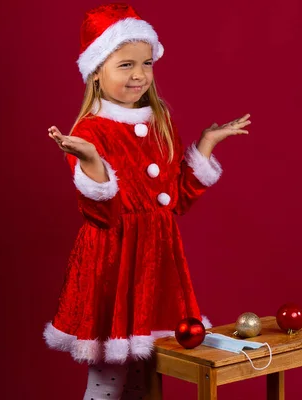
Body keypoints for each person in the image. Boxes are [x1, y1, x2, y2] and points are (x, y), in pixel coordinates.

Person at [43, 3, 251, 399]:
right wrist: (89, 160)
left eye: (147, 63)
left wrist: (204, 147)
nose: (140, 74)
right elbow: (101, 214)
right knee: (108, 378)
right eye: (125, 65)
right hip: (115, 263)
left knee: (145, 374)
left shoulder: (161, 119)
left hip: (157, 263)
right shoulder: (89, 130)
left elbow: (173, 203)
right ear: (96, 71)